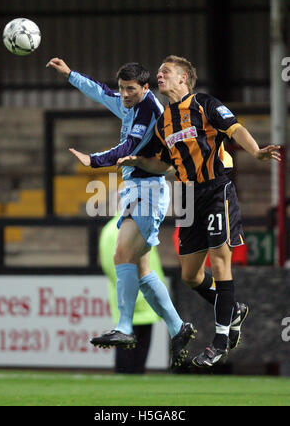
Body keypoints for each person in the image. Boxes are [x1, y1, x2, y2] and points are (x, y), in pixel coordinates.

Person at [117, 55, 281, 368]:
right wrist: (138, 162)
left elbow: (234, 129)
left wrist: (257, 150)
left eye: (167, 71)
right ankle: (232, 310)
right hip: (190, 198)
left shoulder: (204, 104)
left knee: (221, 261)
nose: (160, 75)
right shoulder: (165, 119)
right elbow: (163, 163)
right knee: (191, 275)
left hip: (217, 189)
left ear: (183, 79)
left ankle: (220, 340)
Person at [46, 58, 196, 368]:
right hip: (136, 190)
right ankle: (178, 327)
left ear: (144, 88)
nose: (125, 95)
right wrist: (70, 74)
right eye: (123, 89)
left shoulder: (147, 111)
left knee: (121, 256)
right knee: (141, 272)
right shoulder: (129, 101)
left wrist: (93, 160)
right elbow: (102, 93)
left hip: (149, 191)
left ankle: (125, 328)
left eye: (131, 89)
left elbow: (128, 147)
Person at [99, 213, 165, 374]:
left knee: (128, 356)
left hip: (134, 299)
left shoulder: (114, 228)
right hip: (140, 299)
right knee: (134, 359)